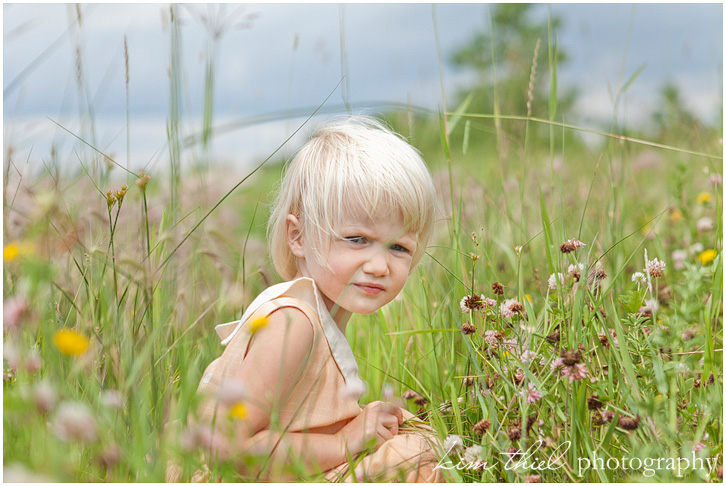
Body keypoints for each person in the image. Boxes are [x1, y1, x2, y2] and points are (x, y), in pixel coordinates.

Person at [175, 115, 443, 482]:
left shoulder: (318, 318)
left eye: (398, 246)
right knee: (409, 458)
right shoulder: (294, 322)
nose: (379, 265)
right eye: (357, 239)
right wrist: (343, 443)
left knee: (408, 433)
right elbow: (228, 450)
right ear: (298, 236)